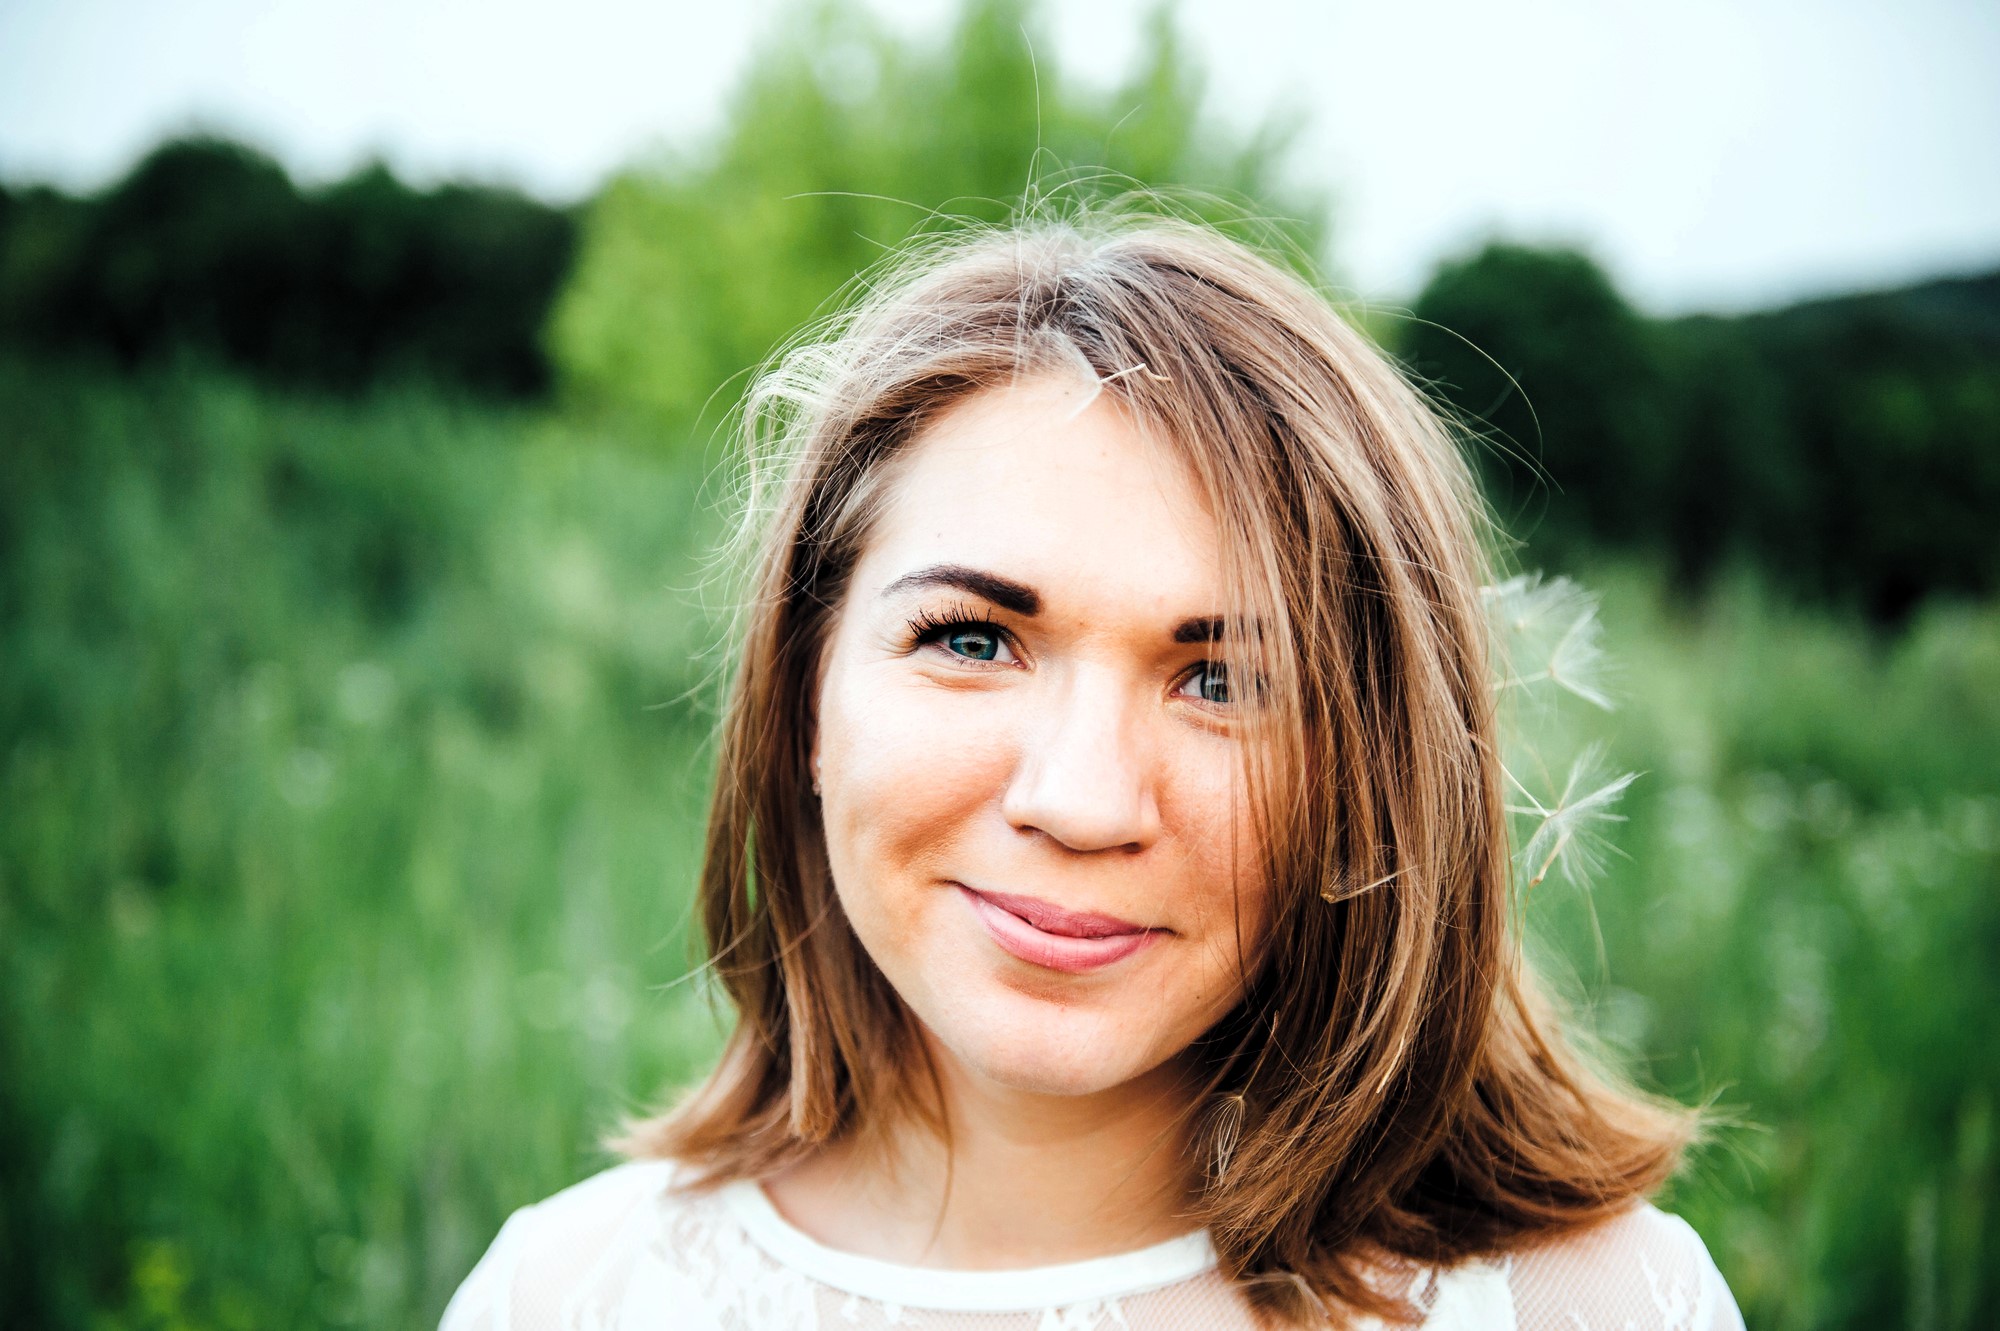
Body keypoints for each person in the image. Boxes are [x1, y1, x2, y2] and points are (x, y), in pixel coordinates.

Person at [441, 216, 1743, 1329]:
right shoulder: (564, 1297)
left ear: (1370, 780)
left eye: (1226, 681)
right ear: (802, 705)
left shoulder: (1590, 1307)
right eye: (972, 639)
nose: (1080, 800)